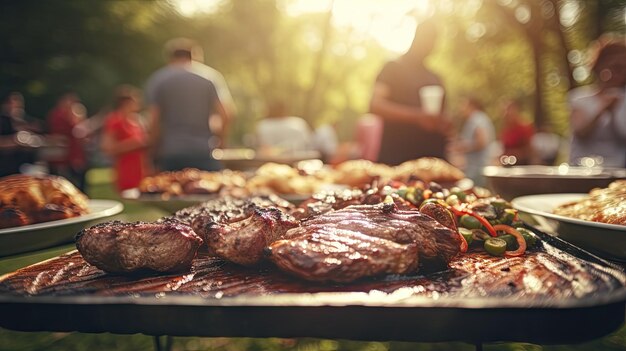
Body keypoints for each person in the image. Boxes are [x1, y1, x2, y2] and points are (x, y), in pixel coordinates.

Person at [369, 17, 451, 165]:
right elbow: (376, 104)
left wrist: (443, 123)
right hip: (397, 159)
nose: (432, 45)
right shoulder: (392, 68)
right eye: (428, 38)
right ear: (416, 36)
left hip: (432, 162)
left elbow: (444, 117)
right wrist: (417, 116)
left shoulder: (435, 77)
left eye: (435, 40)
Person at [145, 37, 233, 172]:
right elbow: (226, 114)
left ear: (170, 58)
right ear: (194, 56)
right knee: (210, 189)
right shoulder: (210, 77)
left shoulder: (158, 79)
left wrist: (152, 151)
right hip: (203, 150)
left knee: (170, 189)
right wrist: (221, 142)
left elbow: (154, 120)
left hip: (171, 151)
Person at [567, 35, 626, 167]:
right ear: (600, 66)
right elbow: (581, 132)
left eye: (623, 68)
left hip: (618, 173)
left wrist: (614, 113)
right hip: (581, 172)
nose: (620, 74)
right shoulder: (579, 97)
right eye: (615, 67)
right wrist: (603, 109)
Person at [100, 85, 151, 192]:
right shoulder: (115, 120)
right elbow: (107, 148)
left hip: (140, 170)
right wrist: (134, 144)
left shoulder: (137, 121)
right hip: (124, 170)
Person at [448, 97, 495, 187]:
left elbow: (481, 142)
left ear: (471, 106)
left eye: (464, 105)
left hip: (478, 169)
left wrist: (461, 148)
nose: (461, 108)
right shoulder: (481, 118)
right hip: (479, 168)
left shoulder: (476, 119)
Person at [46, 92, 88, 191]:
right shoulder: (61, 115)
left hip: (70, 154)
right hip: (66, 155)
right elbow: (75, 131)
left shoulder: (56, 114)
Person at [499, 99, 535, 165]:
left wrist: (515, 154)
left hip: (523, 164)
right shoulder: (505, 130)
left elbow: (529, 150)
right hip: (508, 164)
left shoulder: (525, 127)